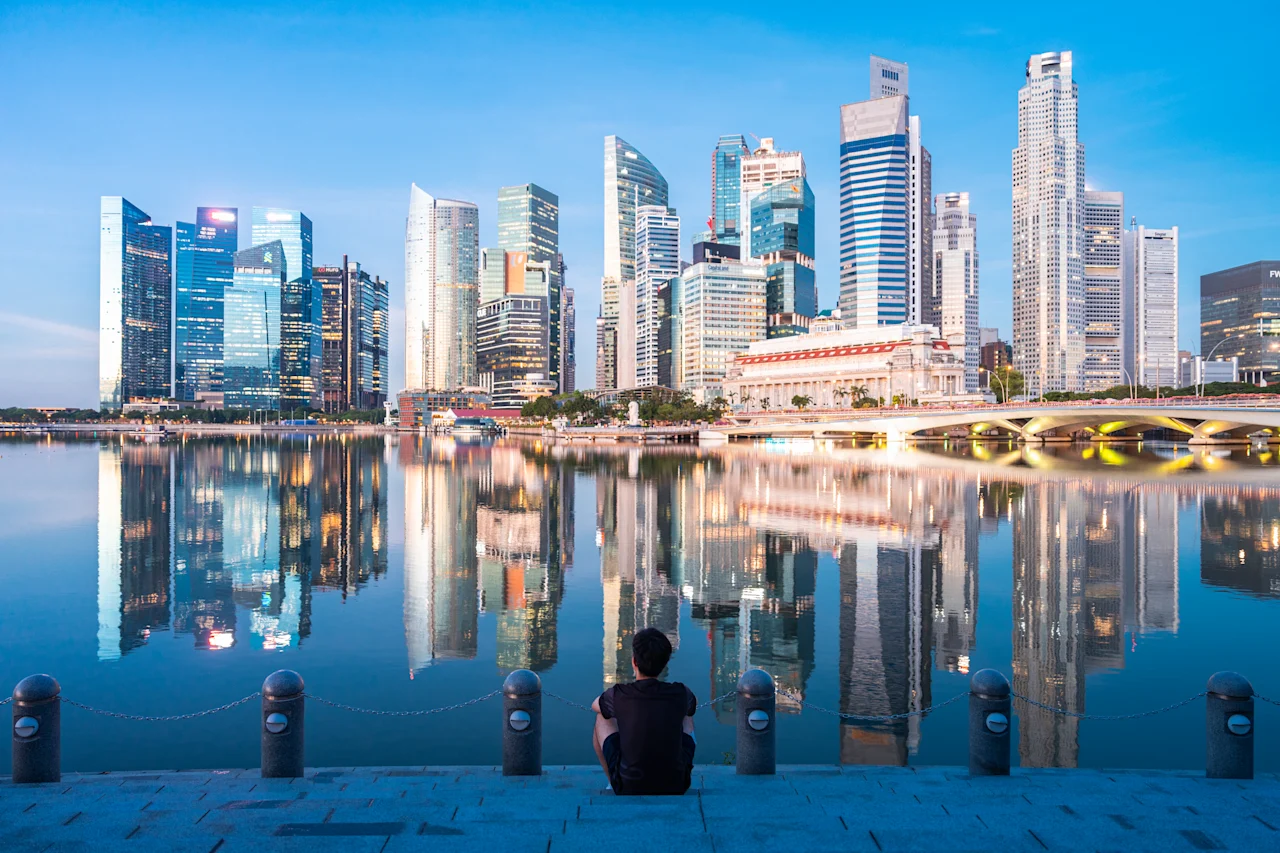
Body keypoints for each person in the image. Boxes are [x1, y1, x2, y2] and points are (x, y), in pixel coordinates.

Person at [591, 627, 696, 795]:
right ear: (665, 663)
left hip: (628, 786)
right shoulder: (682, 692)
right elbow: (691, 709)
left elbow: (595, 705)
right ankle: (676, 767)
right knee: (686, 715)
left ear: (634, 662)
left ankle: (613, 782)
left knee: (602, 718)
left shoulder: (619, 694)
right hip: (677, 784)